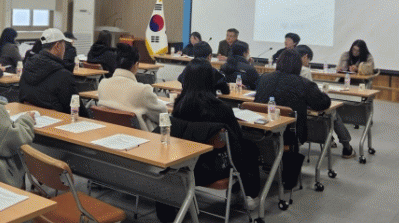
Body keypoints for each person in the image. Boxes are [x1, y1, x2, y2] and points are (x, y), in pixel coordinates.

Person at [171, 59, 261, 209]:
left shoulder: (179, 105)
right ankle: (247, 193)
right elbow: (236, 139)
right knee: (249, 147)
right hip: (213, 168)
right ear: (210, 80)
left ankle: (240, 191)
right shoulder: (221, 108)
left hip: (186, 162)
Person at [255, 49, 331, 145]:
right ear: (299, 65)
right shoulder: (304, 83)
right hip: (291, 134)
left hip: (261, 130)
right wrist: (324, 94)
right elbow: (322, 104)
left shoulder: (264, 78)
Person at [297, 45, 356, 158]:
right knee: (332, 112)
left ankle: (331, 140)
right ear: (305, 57)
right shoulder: (304, 71)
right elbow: (310, 93)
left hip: (292, 111)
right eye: (309, 60)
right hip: (304, 110)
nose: (308, 63)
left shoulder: (284, 70)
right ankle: (346, 147)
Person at [98, 43, 168, 131]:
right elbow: (162, 116)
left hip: (107, 133)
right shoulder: (143, 90)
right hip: (138, 136)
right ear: (136, 65)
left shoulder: (103, 84)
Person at [19, 28, 76, 113]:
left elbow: (21, 96)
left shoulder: (27, 66)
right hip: (56, 119)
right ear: (57, 46)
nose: (65, 49)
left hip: (30, 116)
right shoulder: (63, 75)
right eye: (64, 45)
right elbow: (76, 109)